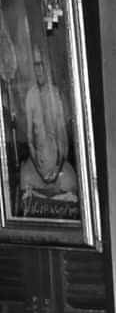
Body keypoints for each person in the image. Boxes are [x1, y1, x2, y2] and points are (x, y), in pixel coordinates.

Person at [18, 45, 77, 204]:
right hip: (38, 166)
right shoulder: (30, 96)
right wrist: (39, 169)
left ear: (47, 67)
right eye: (35, 66)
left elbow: (63, 136)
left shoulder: (56, 94)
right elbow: (30, 139)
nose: (38, 70)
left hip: (58, 165)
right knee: (25, 179)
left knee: (70, 182)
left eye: (41, 65)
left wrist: (57, 169)